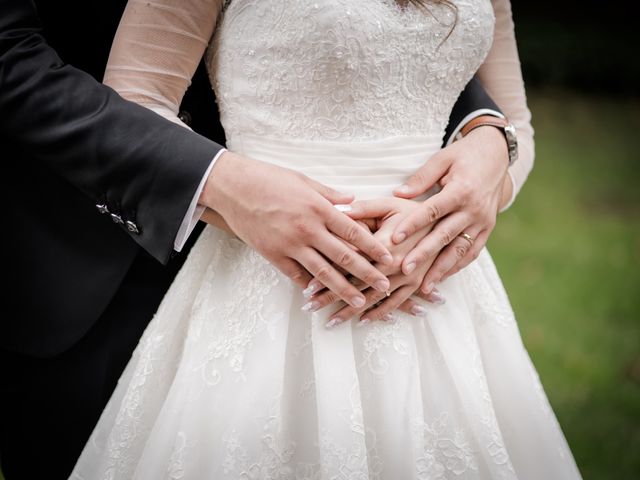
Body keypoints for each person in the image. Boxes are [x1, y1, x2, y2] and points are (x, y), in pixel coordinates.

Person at [69, 0, 583, 478]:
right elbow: (133, 105)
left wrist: (493, 163)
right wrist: (234, 200)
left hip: (441, 293)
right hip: (269, 290)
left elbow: (515, 121)